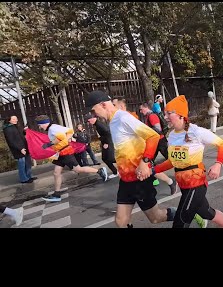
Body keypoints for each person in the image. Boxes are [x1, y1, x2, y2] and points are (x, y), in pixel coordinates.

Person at [84, 90, 178, 228]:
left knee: (156, 218)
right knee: (121, 221)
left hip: (140, 180)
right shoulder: (112, 121)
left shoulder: (123, 118)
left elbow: (153, 136)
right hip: (126, 180)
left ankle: (189, 213)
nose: (93, 114)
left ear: (103, 105)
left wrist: (145, 162)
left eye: (93, 110)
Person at [152, 95, 223, 228]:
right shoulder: (171, 136)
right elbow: (173, 162)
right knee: (207, 213)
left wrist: (218, 164)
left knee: (180, 222)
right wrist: (153, 170)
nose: (165, 117)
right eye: (165, 114)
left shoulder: (196, 132)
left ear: (181, 115)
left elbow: (221, 144)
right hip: (184, 185)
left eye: (169, 113)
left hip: (196, 184)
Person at [35, 115, 108, 202]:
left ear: (44, 123)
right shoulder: (55, 126)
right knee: (56, 173)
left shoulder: (52, 129)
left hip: (65, 152)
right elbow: (70, 131)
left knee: (77, 169)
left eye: (39, 125)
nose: (39, 127)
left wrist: (49, 144)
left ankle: (99, 171)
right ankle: (56, 195)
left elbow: (61, 138)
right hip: (61, 153)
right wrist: (67, 139)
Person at [139, 102, 176, 194]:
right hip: (154, 142)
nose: (140, 111)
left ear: (146, 107)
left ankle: (184, 173)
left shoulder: (152, 116)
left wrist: (146, 132)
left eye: (141, 109)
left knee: (173, 160)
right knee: (149, 162)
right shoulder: (148, 116)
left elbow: (158, 129)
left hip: (160, 141)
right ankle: (154, 179)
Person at [2, 115, 36, 184]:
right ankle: (24, 179)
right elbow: (11, 141)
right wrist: (20, 149)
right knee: (22, 165)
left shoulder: (15, 126)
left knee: (28, 163)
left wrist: (24, 130)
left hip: (24, 147)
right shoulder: (8, 129)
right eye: (14, 119)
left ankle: (28, 176)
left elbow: (20, 135)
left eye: (16, 119)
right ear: (9, 120)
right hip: (19, 150)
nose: (16, 120)